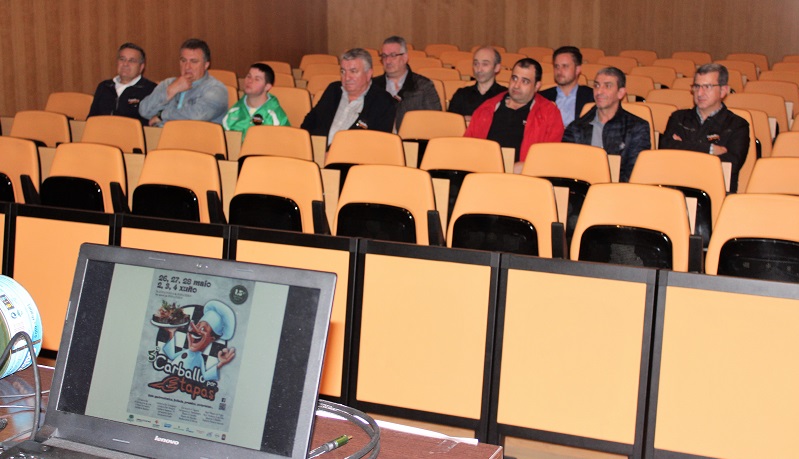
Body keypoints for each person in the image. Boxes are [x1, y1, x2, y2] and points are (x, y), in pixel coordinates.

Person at [660, 63, 750, 192]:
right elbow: (665, 150)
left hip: (715, 194)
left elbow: (730, 165)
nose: (700, 93)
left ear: (723, 91)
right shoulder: (678, 118)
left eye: (707, 87)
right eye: (696, 86)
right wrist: (710, 149)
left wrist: (683, 147)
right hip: (677, 189)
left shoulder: (737, 125)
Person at [465, 58, 564, 172]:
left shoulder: (549, 114)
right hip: (484, 173)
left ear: (537, 86)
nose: (516, 85)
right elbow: (468, 148)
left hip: (526, 180)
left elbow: (552, 158)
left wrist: (527, 166)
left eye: (525, 81)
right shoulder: (487, 108)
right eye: (514, 78)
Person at [562, 67, 651, 182]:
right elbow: (566, 168)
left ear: (621, 93)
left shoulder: (637, 127)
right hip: (581, 191)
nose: (599, 92)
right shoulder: (576, 127)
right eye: (596, 86)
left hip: (619, 193)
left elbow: (634, 173)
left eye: (607, 86)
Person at [301, 48, 396, 145]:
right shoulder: (333, 90)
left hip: (351, 158)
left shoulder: (383, 101)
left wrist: (333, 154)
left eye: (353, 71)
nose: (347, 77)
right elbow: (309, 122)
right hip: (318, 153)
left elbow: (377, 143)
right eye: (343, 71)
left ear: (368, 74)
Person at [139, 38, 228, 127]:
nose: (187, 66)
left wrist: (162, 115)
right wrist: (170, 91)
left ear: (206, 65)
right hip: (163, 136)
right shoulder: (169, 83)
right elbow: (144, 111)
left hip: (197, 138)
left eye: (194, 61)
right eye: (183, 60)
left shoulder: (217, 89)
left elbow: (196, 116)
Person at [372, 36, 442, 130]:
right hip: (378, 141)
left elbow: (435, 121)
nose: (387, 61)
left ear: (405, 58)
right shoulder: (372, 86)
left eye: (393, 55)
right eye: (384, 56)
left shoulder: (424, 86)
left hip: (414, 141)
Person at [160, 300, 236, 383]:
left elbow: (205, 376)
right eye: (198, 326)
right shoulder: (185, 352)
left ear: (212, 338)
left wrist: (221, 364)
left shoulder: (199, 359)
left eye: (203, 329)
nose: (196, 330)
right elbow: (171, 356)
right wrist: (171, 333)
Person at [87, 43, 157, 125]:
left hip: (133, 135)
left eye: (132, 60)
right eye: (122, 59)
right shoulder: (104, 86)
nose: (125, 64)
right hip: (102, 134)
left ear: (141, 67)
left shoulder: (151, 90)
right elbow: (91, 119)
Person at [223, 63, 289, 140]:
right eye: (249, 76)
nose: (250, 81)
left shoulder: (276, 116)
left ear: (267, 87)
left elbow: (284, 146)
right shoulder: (233, 112)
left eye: (257, 79)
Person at [540, 46, 594, 128]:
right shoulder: (541, 97)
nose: (559, 71)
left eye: (565, 66)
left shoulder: (592, 97)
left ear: (577, 69)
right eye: (556, 66)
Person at [447, 46, 506, 120]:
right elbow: (451, 123)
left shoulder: (505, 96)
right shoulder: (461, 94)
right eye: (476, 64)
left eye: (485, 64)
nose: (479, 69)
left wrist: (472, 119)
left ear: (497, 68)